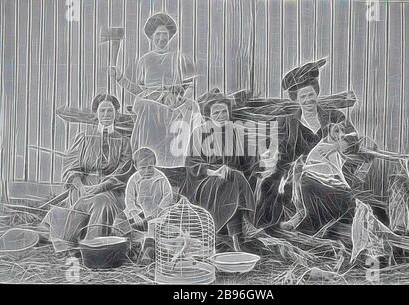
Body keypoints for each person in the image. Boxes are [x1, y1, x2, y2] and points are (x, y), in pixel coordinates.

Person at [254, 58, 360, 230]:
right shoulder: (287, 122)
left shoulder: (334, 116)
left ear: (316, 94)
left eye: (310, 94)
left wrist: (337, 146)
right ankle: (266, 231)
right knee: (268, 183)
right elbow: (278, 150)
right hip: (296, 172)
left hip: (331, 171)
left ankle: (302, 216)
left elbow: (353, 138)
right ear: (297, 100)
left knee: (310, 184)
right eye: (303, 96)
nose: (308, 100)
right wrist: (271, 160)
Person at [109, 13, 201, 170]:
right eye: (157, 34)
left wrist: (182, 99)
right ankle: (148, 160)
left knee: (192, 108)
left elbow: (190, 86)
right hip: (151, 102)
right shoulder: (144, 60)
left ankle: (180, 162)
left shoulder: (179, 58)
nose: (161, 38)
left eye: (164, 34)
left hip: (174, 101)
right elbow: (139, 90)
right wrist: (120, 78)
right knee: (148, 107)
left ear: (170, 36)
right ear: (151, 37)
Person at [44, 94, 133, 244]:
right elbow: (72, 166)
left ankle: (93, 245)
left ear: (116, 113)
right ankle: (68, 240)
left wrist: (101, 187)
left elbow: (123, 172)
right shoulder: (84, 137)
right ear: (95, 113)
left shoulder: (123, 141)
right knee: (84, 201)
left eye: (110, 111)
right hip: (84, 185)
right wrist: (81, 187)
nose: (106, 115)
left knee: (102, 202)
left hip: (110, 188)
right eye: (102, 111)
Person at [181, 89, 256, 251]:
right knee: (232, 179)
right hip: (203, 180)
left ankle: (235, 237)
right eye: (216, 112)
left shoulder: (238, 131)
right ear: (209, 115)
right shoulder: (199, 133)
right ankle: (240, 230)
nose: (221, 115)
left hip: (232, 179)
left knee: (232, 179)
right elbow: (192, 164)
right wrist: (214, 171)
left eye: (224, 111)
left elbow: (249, 163)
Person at [124, 147, 174, 235]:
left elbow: (168, 195)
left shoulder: (161, 177)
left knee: (157, 227)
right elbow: (129, 199)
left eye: (150, 167)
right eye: (143, 168)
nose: (147, 171)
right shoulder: (134, 179)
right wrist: (134, 214)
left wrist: (160, 209)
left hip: (158, 212)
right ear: (136, 166)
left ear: (155, 164)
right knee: (127, 225)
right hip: (139, 212)